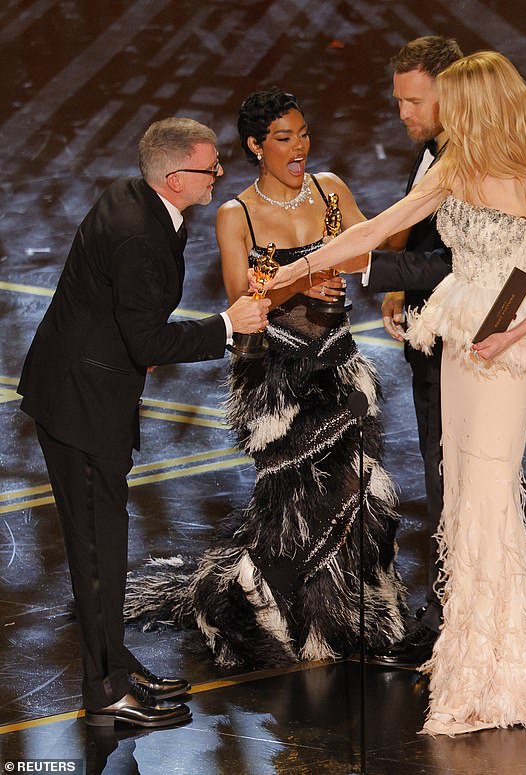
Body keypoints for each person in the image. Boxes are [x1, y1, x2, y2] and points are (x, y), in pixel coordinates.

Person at [259, 52, 526, 735]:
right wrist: (294, 269)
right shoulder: (452, 168)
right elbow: (377, 230)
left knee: (490, 494)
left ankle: (506, 670)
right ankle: (471, 655)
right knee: (461, 492)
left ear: (482, 104)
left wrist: (509, 334)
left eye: (453, 102)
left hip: (504, 345)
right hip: (460, 335)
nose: (437, 114)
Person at [124, 88, 408, 667]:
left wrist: (419, 208)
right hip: (275, 375)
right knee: (292, 504)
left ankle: (349, 619)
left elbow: (375, 250)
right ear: (256, 146)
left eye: (303, 133)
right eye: (284, 138)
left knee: (356, 493)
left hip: (338, 363)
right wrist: (304, 280)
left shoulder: (332, 191)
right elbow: (238, 295)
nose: (299, 146)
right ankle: (271, 608)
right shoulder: (238, 214)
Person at [17, 117, 270, 728]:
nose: (219, 177)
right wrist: (230, 325)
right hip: (81, 405)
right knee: (98, 550)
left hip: (85, 384)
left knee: (104, 542)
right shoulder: (139, 232)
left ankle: (115, 661)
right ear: (176, 176)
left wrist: (139, 344)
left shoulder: (137, 202)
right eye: (212, 169)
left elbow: (124, 314)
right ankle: (104, 688)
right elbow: (146, 335)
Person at [365, 35, 463, 667]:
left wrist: (378, 267)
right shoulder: (433, 152)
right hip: (432, 346)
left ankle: (448, 615)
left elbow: (461, 258)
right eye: (397, 99)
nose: (402, 112)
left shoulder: (470, 160)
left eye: (413, 100)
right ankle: (446, 606)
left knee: (456, 483)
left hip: (464, 350)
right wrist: (400, 284)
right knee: (441, 480)